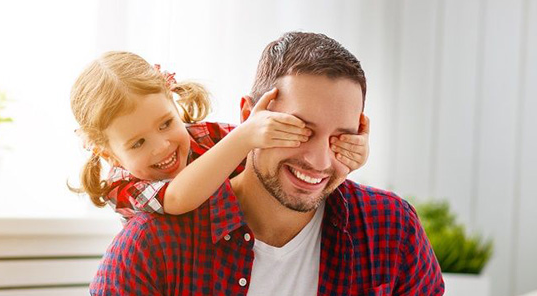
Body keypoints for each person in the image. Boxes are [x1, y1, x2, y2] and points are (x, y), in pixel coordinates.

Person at [70, 32, 460, 296]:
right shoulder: (151, 243)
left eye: (340, 137)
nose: (319, 160)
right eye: (299, 130)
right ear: (250, 116)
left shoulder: (388, 225)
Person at [70, 51, 369, 220]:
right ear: (109, 154)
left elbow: (269, 157)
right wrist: (243, 137)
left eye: (165, 123)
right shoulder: (122, 185)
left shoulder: (204, 137)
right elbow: (176, 198)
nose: (162, 145)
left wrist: (343, 151)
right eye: (137, 143)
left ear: (174, 102)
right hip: (178, 274)